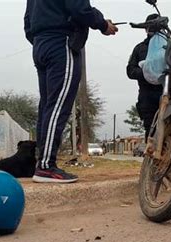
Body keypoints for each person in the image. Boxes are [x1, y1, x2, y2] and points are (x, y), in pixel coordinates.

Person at [24, 0, 118, 183]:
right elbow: (80, 9)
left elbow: (28, 22)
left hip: (40, 44)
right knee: (58, 105)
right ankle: (45, 166)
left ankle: (42, 163)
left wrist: (41, 39)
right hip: (62, 42)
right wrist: (103, 24)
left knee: (47, 106)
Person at [127, 14, 163, 140]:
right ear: (146, 29)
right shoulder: (140, 48)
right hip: (147, 95)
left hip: (168, 93)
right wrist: (146, 73)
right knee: (151, 130)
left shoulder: (170, 46)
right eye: (150, 26)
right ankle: (151, 157)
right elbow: (130, 71)